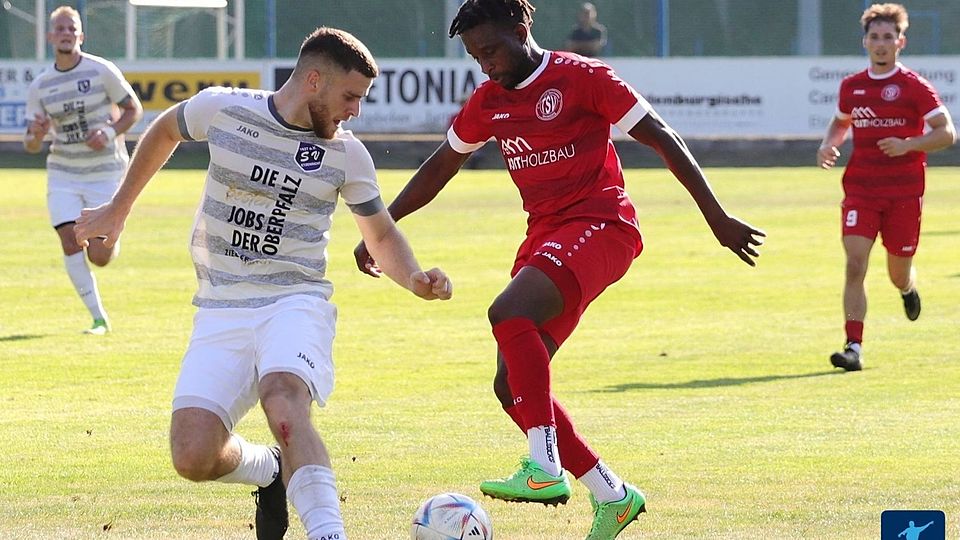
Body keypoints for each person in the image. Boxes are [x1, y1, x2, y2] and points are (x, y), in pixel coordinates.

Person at [353, 1, 764, 538]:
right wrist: (379, 228)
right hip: (545, 238)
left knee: (508, 312)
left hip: (603, 226)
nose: (487, 65)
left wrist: (717, 217)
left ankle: (544, 468)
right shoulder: (489, 101)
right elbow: (442, 165)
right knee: (512, 386)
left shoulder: (582, 77)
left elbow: (661, 134)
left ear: (522, 27)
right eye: (476, 56)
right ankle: (612, 495)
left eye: (493, 50)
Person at [75, 27, 452, 540]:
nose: (355, 112)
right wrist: (118, 210)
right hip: (220, 305)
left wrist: (414, 277)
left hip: (293, 300)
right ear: (314, 80)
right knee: (192, 455)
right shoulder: (225, 110)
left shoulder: (346, 154)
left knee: (283, 397)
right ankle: (271, 470)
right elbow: (164, 129)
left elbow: (381, 232)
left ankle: (327, 531)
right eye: (350, 97)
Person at [817, 3, 955, 372]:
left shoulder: (914, 87)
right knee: (855, 265)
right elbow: (840, 121)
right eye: (875, 37)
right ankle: (854, 347)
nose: (881, 44)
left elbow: (947, 133)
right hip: (861, 190)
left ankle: (908, 289)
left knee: (898, 272)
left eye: (888, 38)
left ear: (900, 42)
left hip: (904, 194)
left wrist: (908, 144)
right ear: (865, 42)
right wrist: (829, 142)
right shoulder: (852, 86)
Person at [23, 5, 144, 335]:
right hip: (63, 172)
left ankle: (113, 232)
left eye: (70, 28)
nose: (65, 33)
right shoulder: (41, 86)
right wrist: (35, 133)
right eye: (59, 28)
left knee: (101, 256)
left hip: (105, 171)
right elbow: (31, 145)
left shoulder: (101, 70)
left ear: (80, 35)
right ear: (50, 36)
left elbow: (134, 109)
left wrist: (108, 132)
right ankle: (98, 318)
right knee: (70, 240)